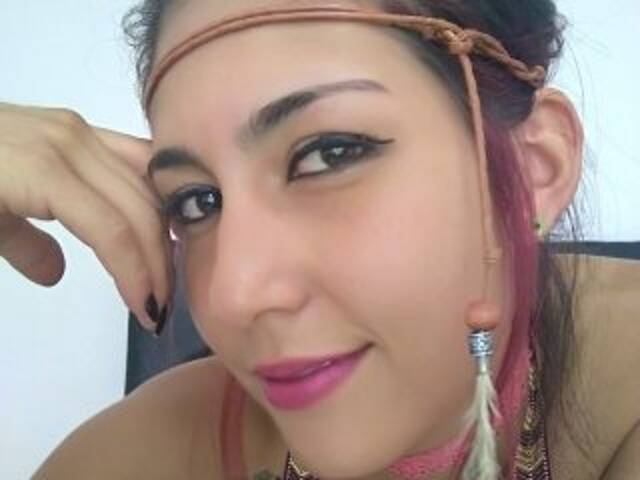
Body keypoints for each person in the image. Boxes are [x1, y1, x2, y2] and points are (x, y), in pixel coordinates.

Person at [0, 0, 636, 478]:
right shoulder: (144, 453)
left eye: (329, 154)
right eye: (197, 201)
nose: (232, 296)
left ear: (532, 168)